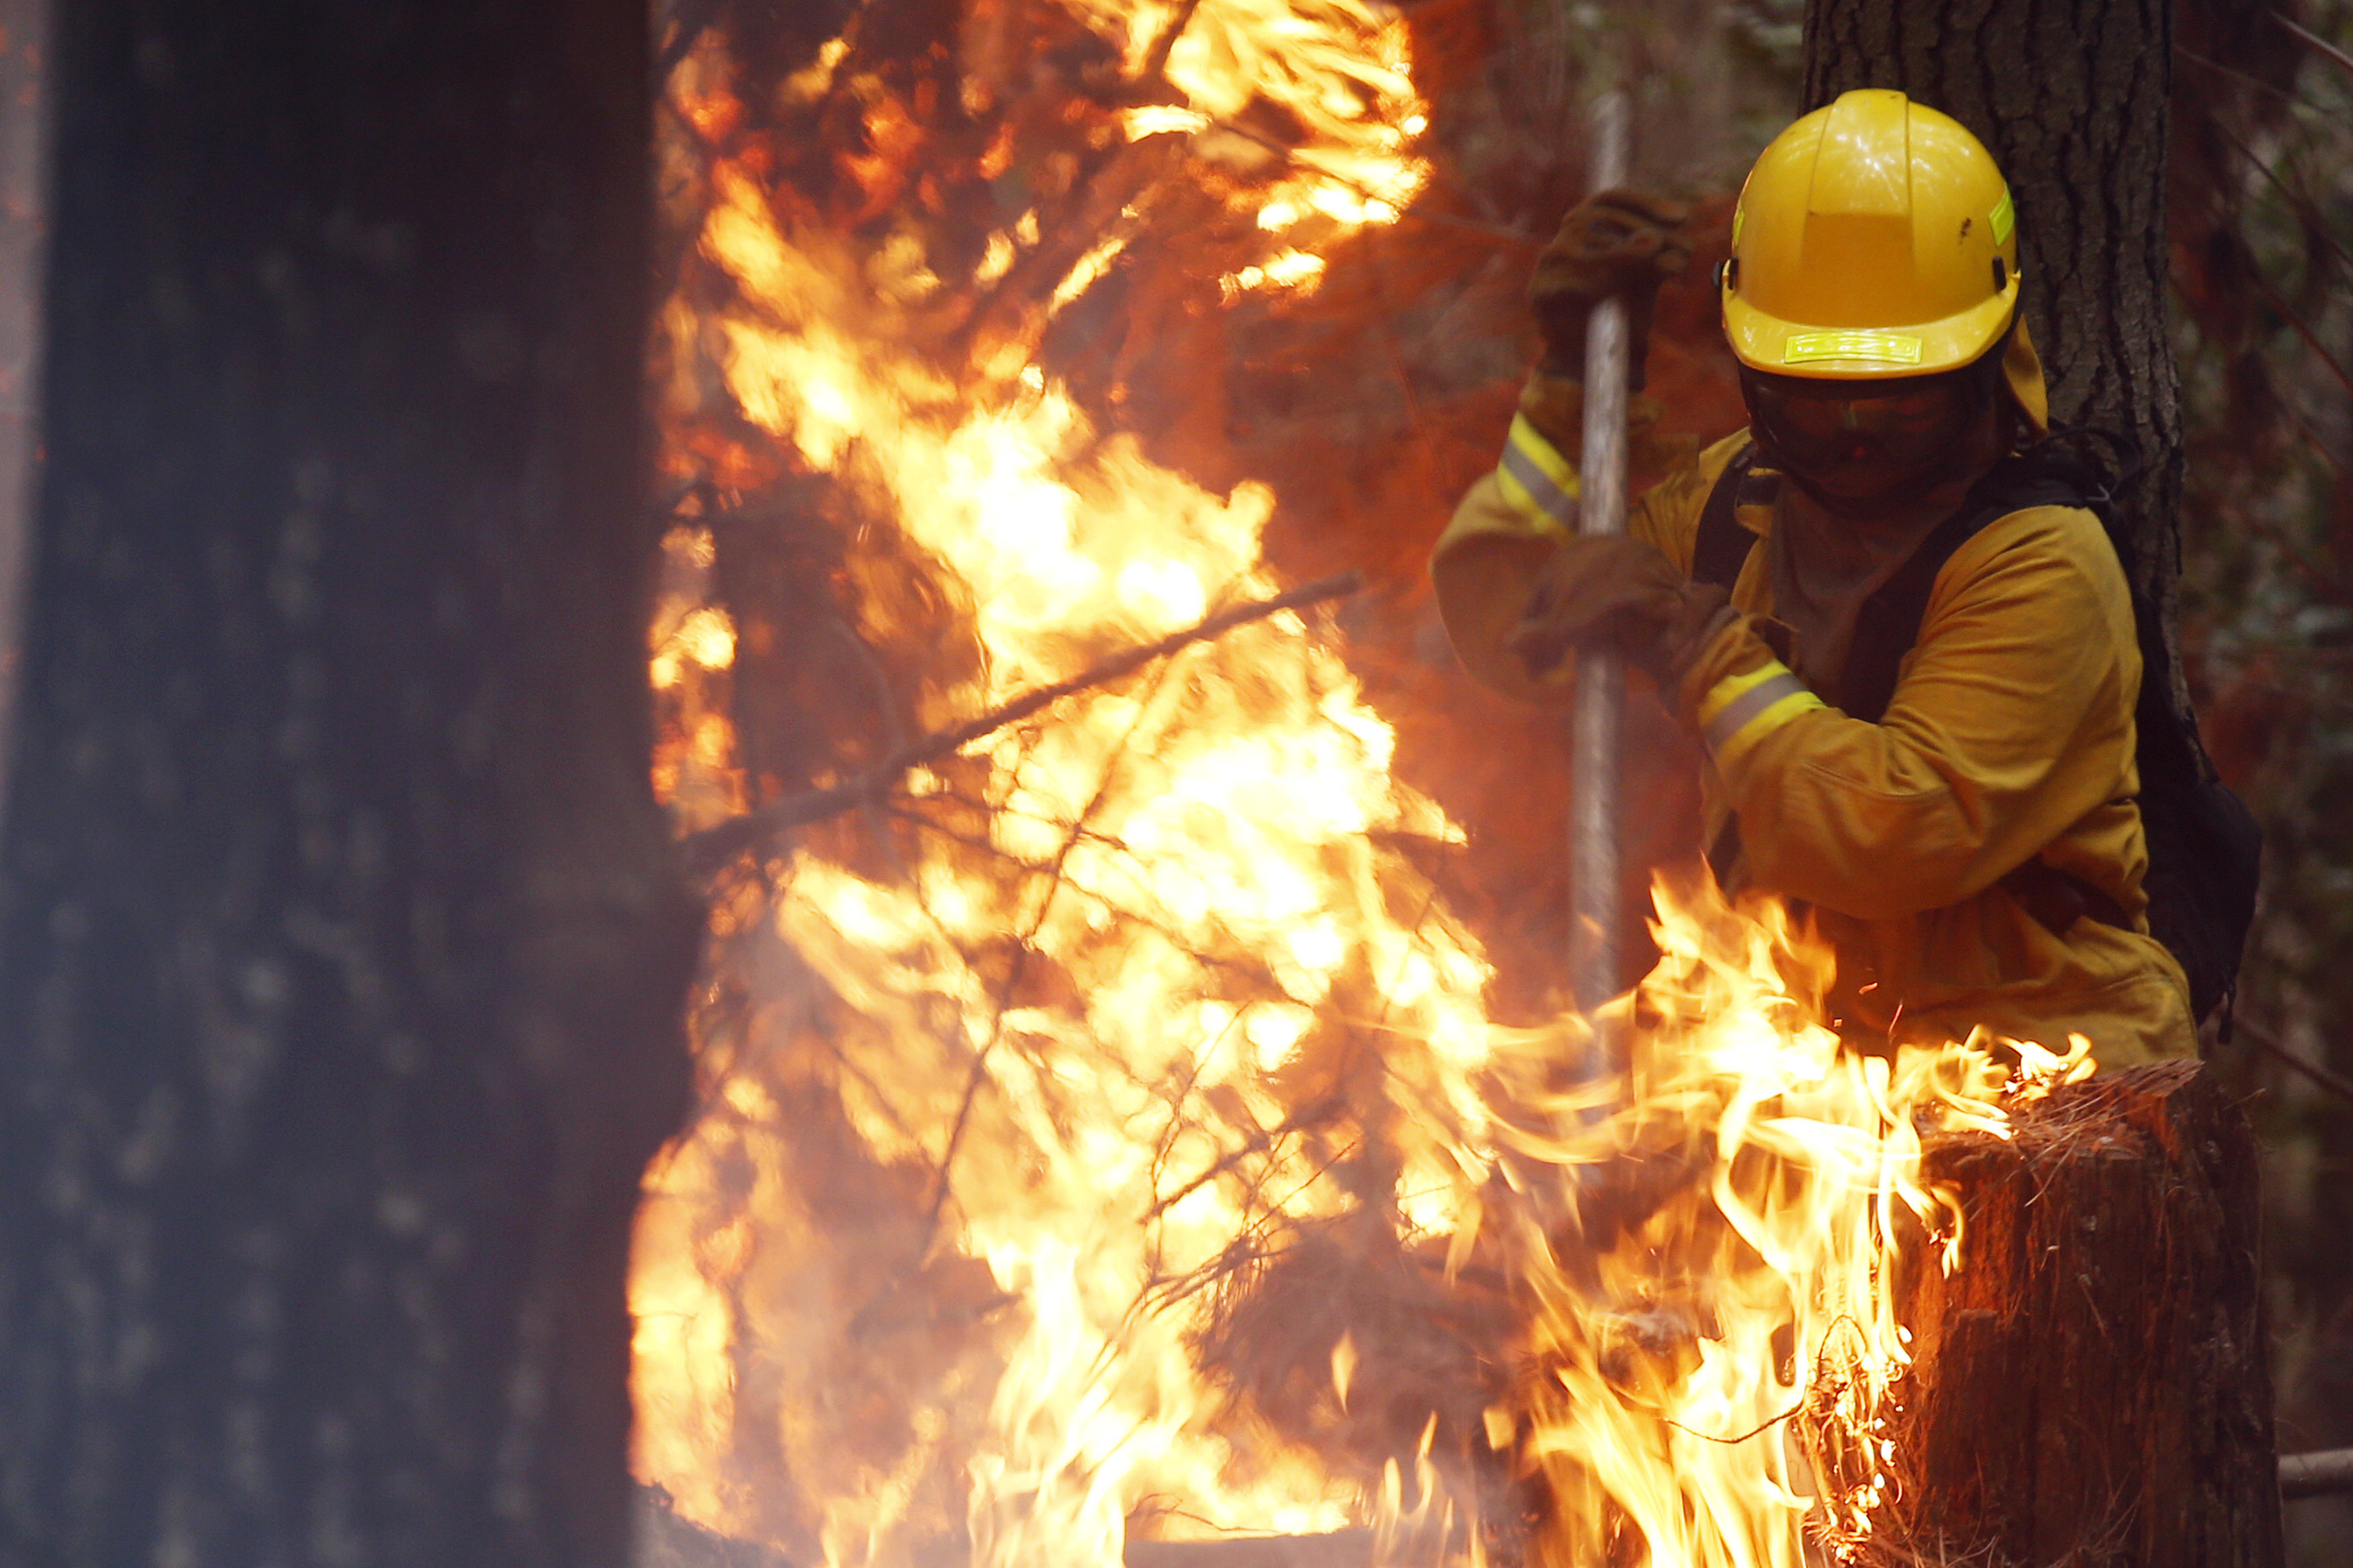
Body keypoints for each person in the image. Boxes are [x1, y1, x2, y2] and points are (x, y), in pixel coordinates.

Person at [1430, 87, 2194, 1065]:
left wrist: (1693, 647)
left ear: (1985, 365)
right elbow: (1512, 626)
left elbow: (1893, 831)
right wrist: (1570, 385)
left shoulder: (2042, 561)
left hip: (2035, 1074)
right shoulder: (1727, 506)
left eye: (1902, 402)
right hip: (1797, 1068)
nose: (1857, 440)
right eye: (1817, 400)